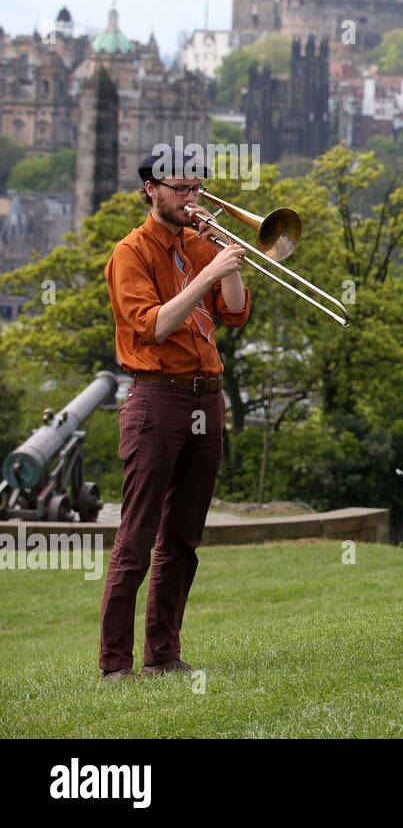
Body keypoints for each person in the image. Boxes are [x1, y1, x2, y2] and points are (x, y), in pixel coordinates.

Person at [100, 146, 250, 681]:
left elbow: (234, 314)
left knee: (184, 538)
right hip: (156, 399)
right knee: (137, 535)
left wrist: (228, 257)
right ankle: (115, 664)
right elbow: (154, 326)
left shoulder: (200, 243)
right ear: (151, 189)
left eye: (196, 188)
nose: (191, 197)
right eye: (180, 188)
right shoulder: (131, 252)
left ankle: (163, 655)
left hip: (207, 397)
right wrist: (208, 276)